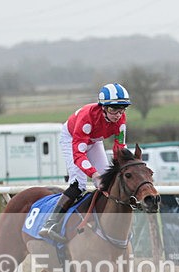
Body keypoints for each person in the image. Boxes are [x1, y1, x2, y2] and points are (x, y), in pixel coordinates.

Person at [39, 82, 130, 242]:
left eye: (121, 108)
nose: (117, 114)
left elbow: (119, 148)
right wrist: (94, 175)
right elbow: (79, 155)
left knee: (108, 182)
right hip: (72, 139)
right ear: (103, 107)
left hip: (94, 141)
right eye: (113, 109)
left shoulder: (121, 119)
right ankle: (51, 223)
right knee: (79, 184)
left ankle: (106, 225)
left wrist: (121, 168)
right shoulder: (87, 117)